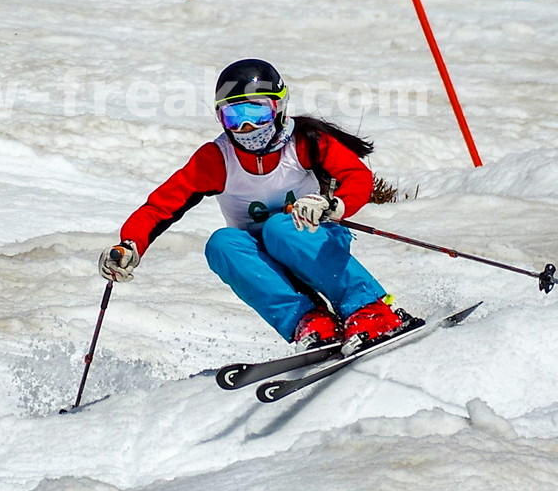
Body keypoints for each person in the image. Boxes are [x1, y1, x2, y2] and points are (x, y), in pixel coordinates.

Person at [99, 58, 406, 350]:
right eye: (233, 117)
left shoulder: (305, 141)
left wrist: (334, 205)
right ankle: (309, 321)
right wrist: (130, 244)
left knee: (279, 228)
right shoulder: (217, 158)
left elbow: (357, 176)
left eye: (256, 114)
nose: (246, 128)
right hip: (262, 259)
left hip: (315, 242)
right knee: (221, 243)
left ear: (279, 108)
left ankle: (370, 308)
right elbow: (161, 206)